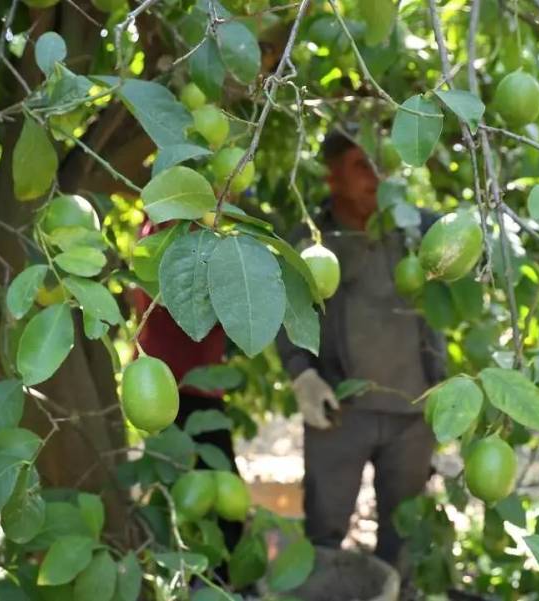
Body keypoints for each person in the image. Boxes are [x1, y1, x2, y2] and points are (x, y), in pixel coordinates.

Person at [276, 129, 447, 567]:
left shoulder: (419, 231)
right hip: (340, 410)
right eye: (359, 165)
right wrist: (303, 374)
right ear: (332, 177)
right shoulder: (309, 243)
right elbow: (284, 311)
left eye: (380, 165)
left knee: (401, 536)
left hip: (412, 413)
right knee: (325, 533)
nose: (375, 176)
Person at [130, 220, 242, 549]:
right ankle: (212, 573)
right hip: (182, 385)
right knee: (206, 488)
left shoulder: (154, 232)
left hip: (165, 383)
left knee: (188, 485)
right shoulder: (196, 237)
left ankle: (195, 567)